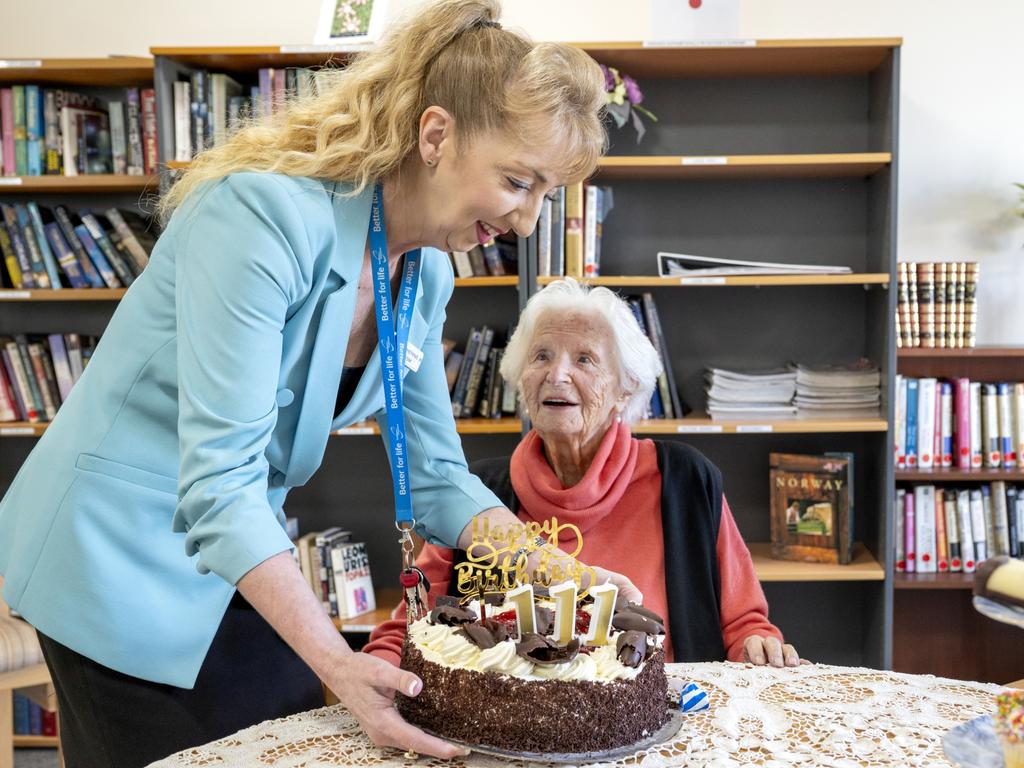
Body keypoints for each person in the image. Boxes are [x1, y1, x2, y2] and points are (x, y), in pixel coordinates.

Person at [0, 2, 640, 765]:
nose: (530, 220)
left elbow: (438, 477)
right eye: (517, 181)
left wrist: (555, 569)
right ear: (435, 136)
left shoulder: (427, 273)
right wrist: (334, 660)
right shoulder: (258, 216)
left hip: (234, 551)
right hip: (115, 555)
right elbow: (220, 483)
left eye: (547, 194)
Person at [364, 278, 804, 667]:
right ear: (521, 380)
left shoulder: (684, 479)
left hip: (659, 722)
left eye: (585, 360)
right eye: (541, 356)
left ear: (625, 387)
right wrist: (379, 670)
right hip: (511, 728)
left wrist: (757, 644)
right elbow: (409, 625)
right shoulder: (474, 497)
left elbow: (743, 621)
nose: (557, 375)